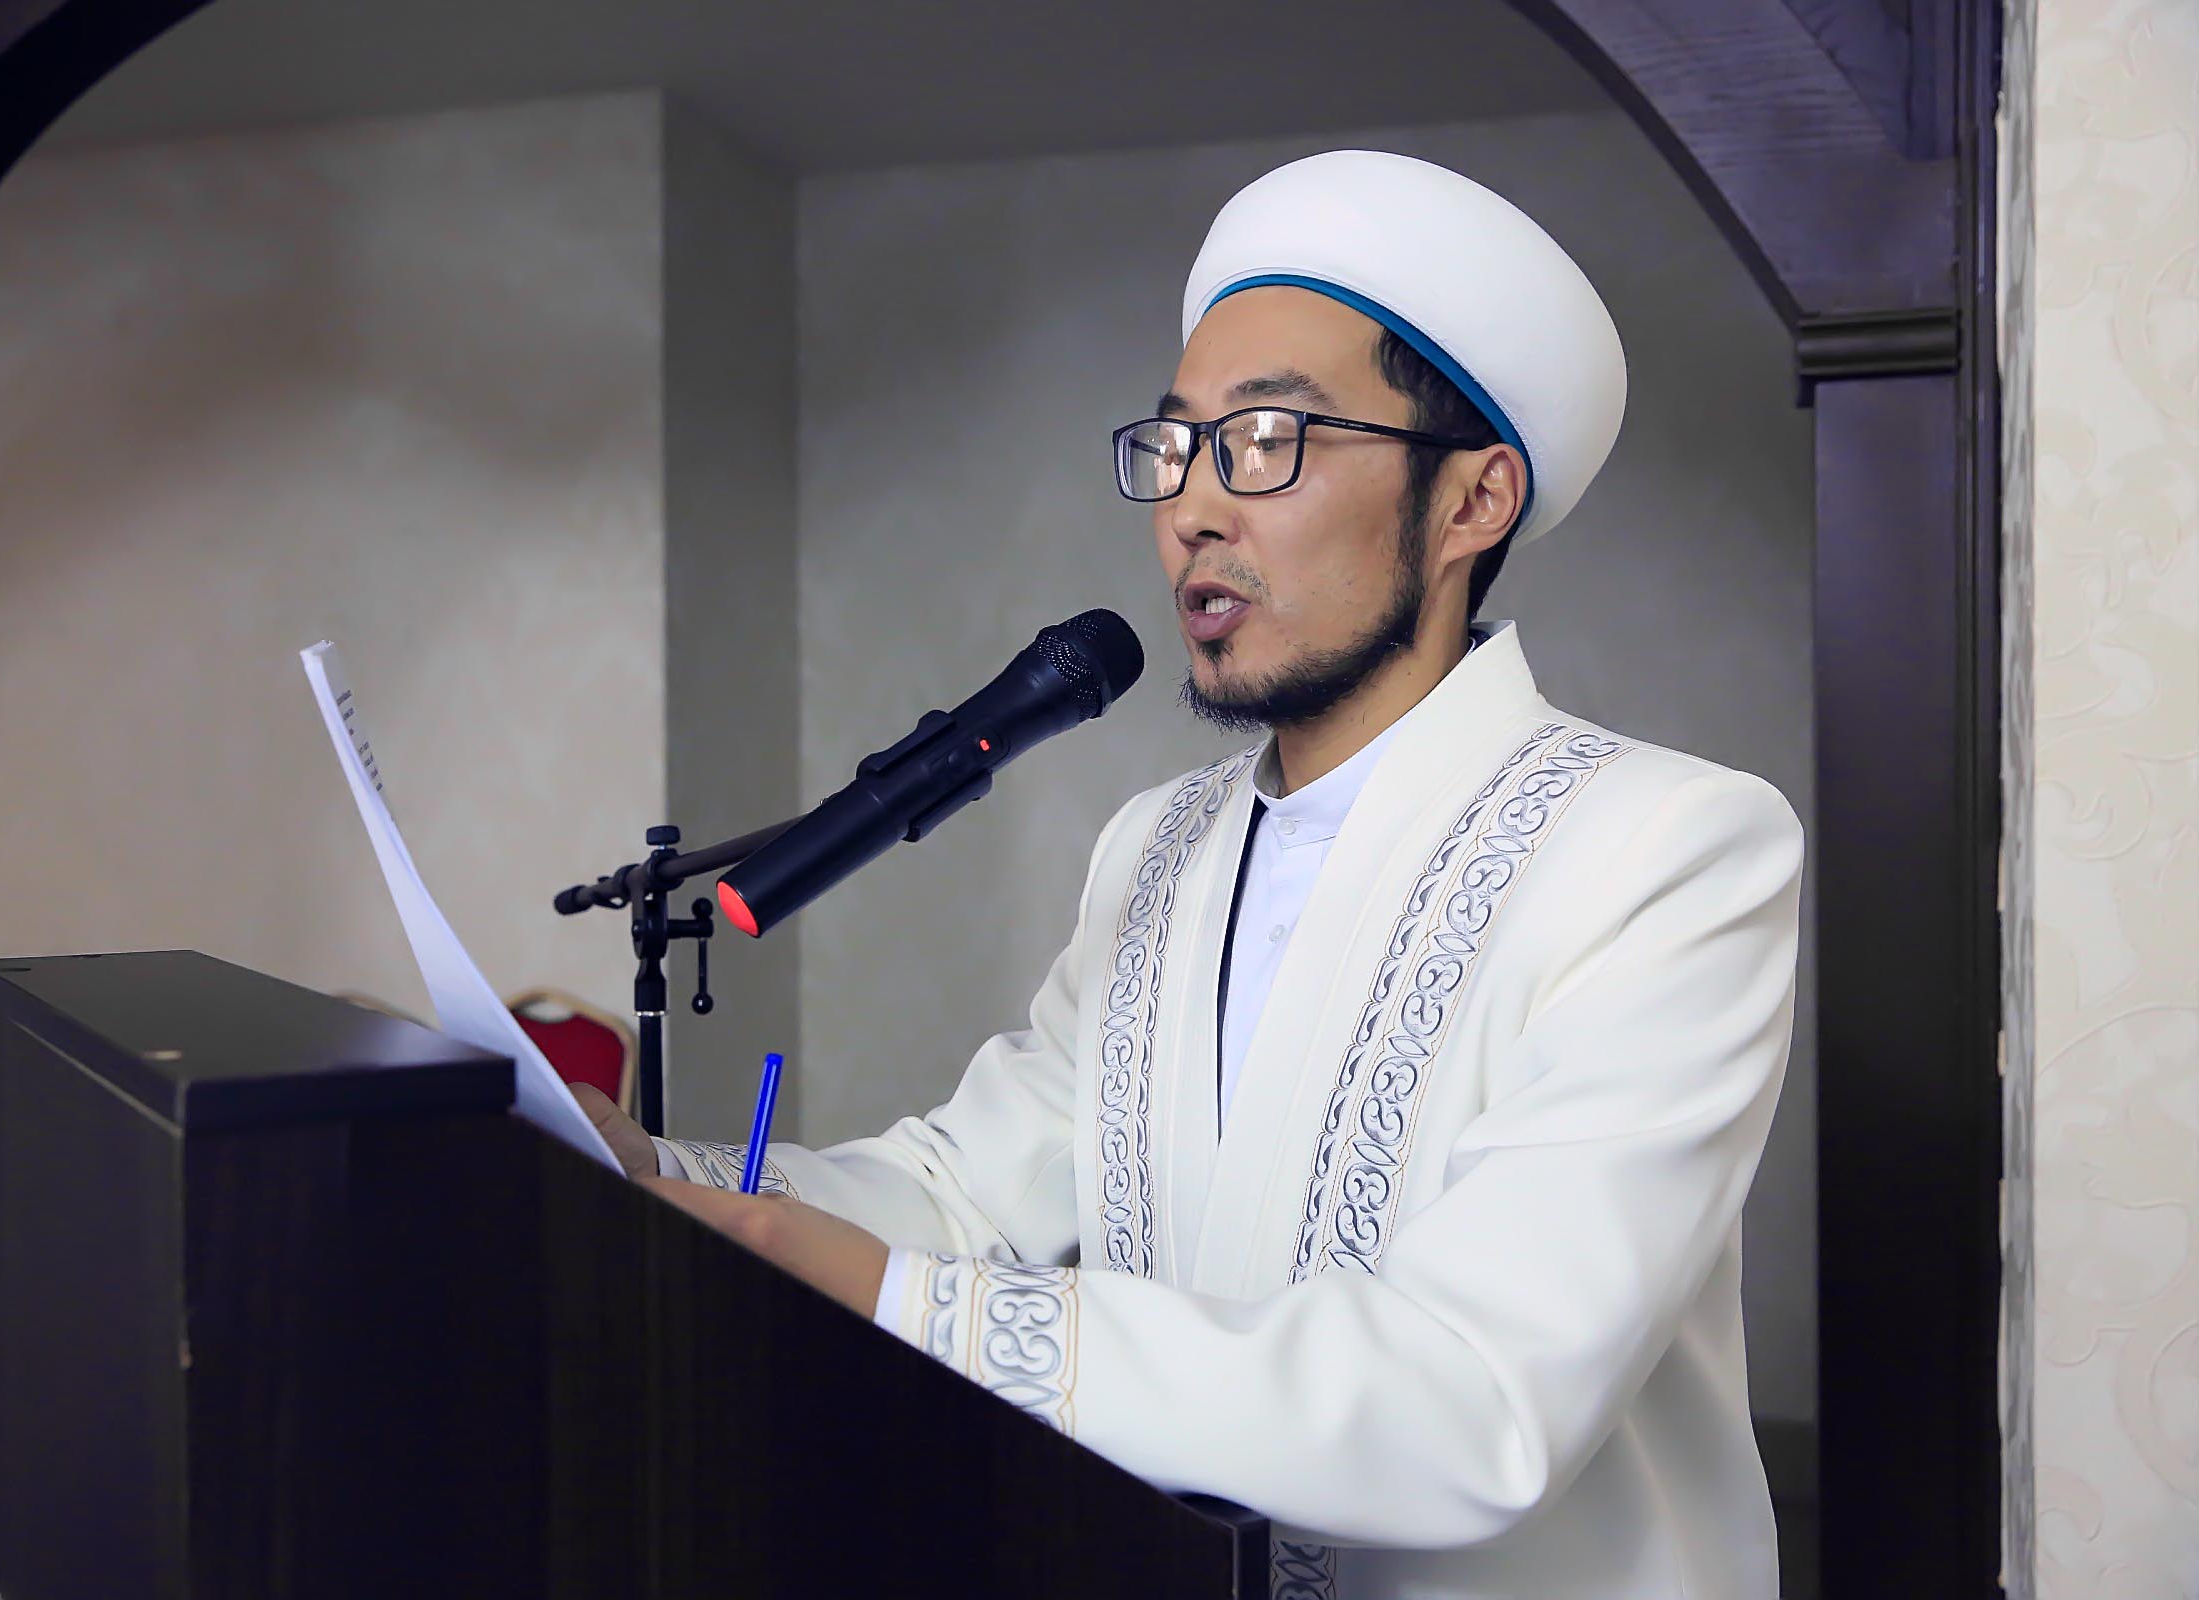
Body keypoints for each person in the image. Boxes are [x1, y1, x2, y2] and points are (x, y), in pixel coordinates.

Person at [575, 149, 1800, 1599]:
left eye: (1267, 439)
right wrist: (650, 1172)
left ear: (1474, 500)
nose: (1193, 510)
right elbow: (971, 1195)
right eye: (1176, 448)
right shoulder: (1156, 845)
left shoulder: (1668, 848)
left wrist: (904, 1303)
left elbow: (1479, 1398)